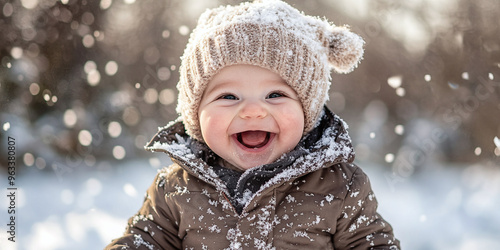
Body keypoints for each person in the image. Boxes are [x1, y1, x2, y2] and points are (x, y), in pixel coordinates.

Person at [106, 0, 400, 249]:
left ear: (307, 111)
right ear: (195, 114)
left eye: (275, 94)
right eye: (229, 96)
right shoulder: (174, 188)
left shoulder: (340, 186)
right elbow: (143, 239)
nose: (253, 111)